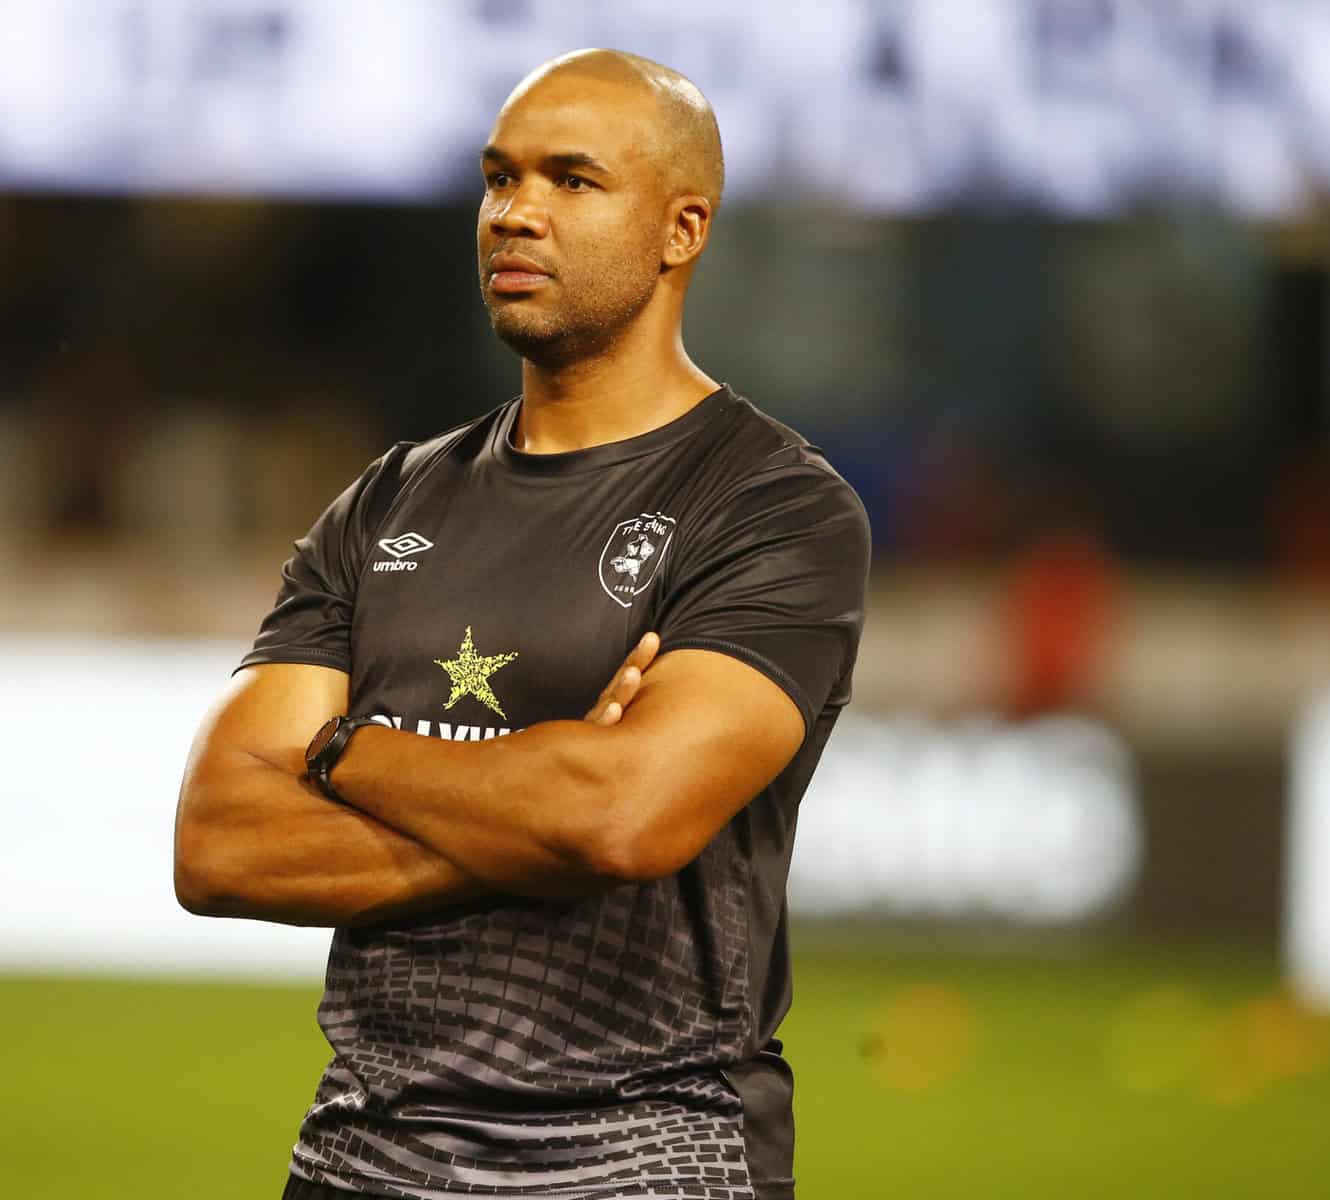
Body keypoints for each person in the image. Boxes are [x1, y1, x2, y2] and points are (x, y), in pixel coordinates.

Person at [175, 48, 869, 1200]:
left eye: (570, 180)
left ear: (681, 229)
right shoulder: (388, 501)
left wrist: (343, 751)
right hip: (359, 1155)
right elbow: (217, 843)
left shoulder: (771, 507)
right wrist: (533, 814)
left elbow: (618, 819)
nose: (514, 213)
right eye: (499, 178)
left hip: (646, 1154)